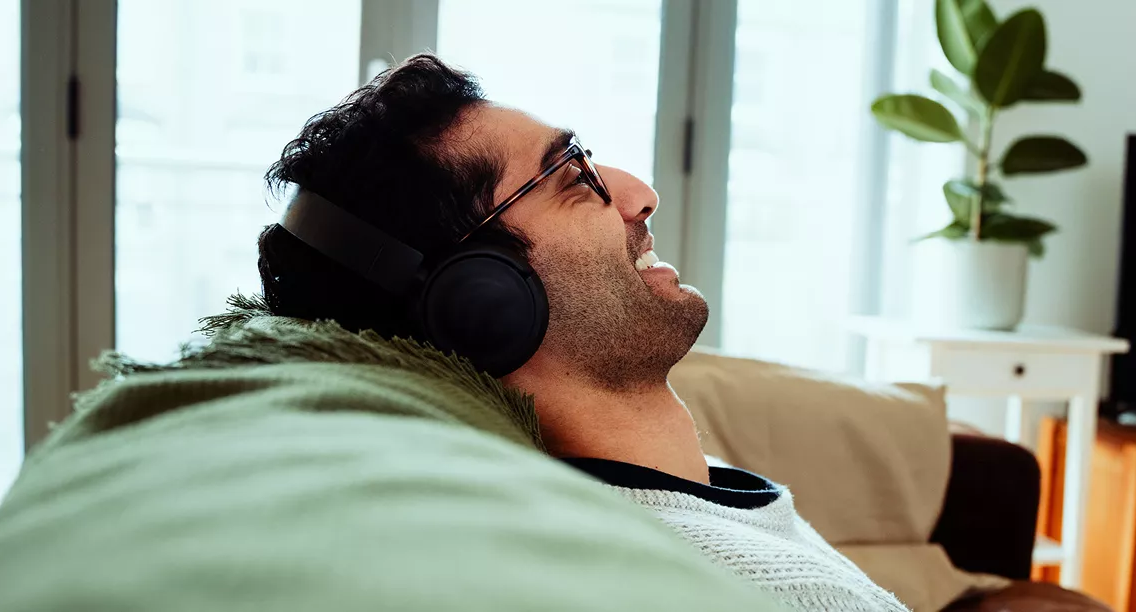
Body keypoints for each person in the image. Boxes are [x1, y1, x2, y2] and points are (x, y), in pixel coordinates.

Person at [259, 54, 906, 610]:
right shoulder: (641, 580)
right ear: (480, 296)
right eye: (573, 176)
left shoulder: (707, 497)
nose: (642, 194)